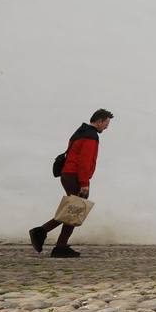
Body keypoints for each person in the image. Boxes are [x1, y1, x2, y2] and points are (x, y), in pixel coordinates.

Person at [29, 109, 113, 258]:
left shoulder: (80, 132)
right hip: (75, 176)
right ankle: (43, 233)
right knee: (75, 210)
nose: (106, 127)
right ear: (99, 121)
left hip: (68, 174)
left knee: (73, 210)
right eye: (106, 124)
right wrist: (84, 183)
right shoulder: (91, 136)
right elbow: (84, 162)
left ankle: (57, 243)